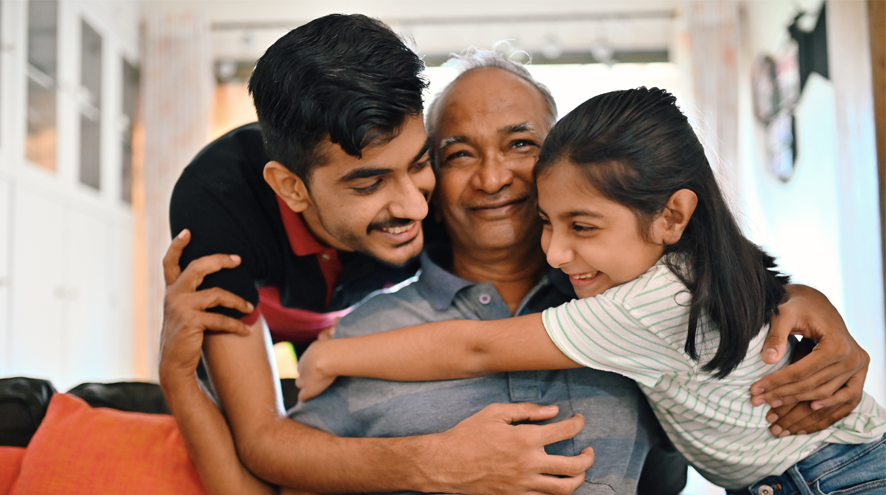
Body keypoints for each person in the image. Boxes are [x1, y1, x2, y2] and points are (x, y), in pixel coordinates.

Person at [162, 39, 871, 493]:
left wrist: (803, 300)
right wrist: (430, 461)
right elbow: (262, 460)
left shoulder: (630, 296)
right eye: (458, 153)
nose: (492, 176)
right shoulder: (366, 332)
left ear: (561, 158)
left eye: (521, 144)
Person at [161, 14, 600, 495]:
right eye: (370, 183)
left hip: (341, 318)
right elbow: (262, 438)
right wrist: (435, 461)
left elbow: (475, 341)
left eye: (419, 164)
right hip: (269, 308)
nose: (416, 207)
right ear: (291, 188)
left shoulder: (454, 197)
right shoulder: (219, 205)